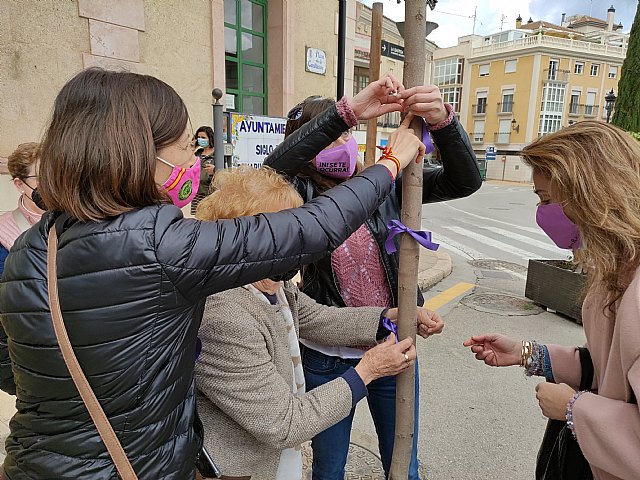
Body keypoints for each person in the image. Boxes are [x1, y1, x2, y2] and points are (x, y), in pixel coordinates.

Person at [0, 68, 424, 479]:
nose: (196, 159)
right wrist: (391, 162)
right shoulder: (163, 248)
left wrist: (345, 114)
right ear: (138, 154)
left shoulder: (30, 246)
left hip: (34, 460)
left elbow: (10, 368)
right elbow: (315, 227)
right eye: (187, 146)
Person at [264, 84, 482, 479]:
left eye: (346, 134)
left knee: (403, 467)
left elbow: (465, 181)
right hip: (327, 359)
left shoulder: (384, 183)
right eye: (330, 135)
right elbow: (272, 171)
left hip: (392, 349)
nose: (341, 143)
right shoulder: (295, 195)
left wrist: (443, 123)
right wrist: (345, 113)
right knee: (329, 469)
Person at [193, 165, 444, 479]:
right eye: (289, 233)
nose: (302, 243)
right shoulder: (225, 315)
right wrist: (368, 370)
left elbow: (317, 317)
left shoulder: (272, 284)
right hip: (243, 470)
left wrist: (389, 316)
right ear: (247, 238)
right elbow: (284, 423)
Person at [463, 121, 640, 480]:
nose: (542, 213)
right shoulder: (617, 268)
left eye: (546, 199)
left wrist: (575, 409)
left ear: (592, 193)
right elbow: (609, 368)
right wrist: (529, 354)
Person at [0, 143, 44, 276]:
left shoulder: (72, 219)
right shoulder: (4, 231)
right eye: (41, 177)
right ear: (20, 185)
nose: (50, 184)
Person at [191, 125, 215, 215]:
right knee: (198, 216)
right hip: (197, 192)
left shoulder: (217, 153)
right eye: (199, 137)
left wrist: (214, 170)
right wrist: (192, 148)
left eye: (203, 137)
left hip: (210, 193)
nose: (201, 139)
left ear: (210, 138)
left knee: (209, 217)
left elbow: (225, 171)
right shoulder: (197, 153)